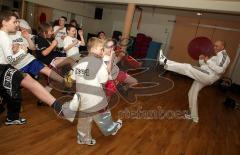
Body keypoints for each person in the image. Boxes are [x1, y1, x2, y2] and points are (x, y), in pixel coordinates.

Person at [0, 11, 69, 121]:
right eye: (15, 21)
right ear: (4, 22)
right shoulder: (3, 36)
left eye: (18, 21)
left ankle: (62, 101)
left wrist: (26, 40)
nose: (17, 24)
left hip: (21, 63)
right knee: (23, 88)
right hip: (10, 67)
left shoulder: (10, 35)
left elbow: (32, 48)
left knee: (35, 83)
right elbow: (11, 59)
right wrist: (21, 50)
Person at [66, 37, 122, 145]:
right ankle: (112, 129)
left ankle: (83, 138)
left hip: (82, 99)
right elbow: (104, 80)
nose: (102, 51)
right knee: (104, 117)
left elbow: (69, 79)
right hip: (96, 99)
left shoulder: (79, 62)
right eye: (101, 49)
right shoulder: (99, 64)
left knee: (84, 119)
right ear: (94, 49)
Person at [158, 40, 230, 123]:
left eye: (217, 46)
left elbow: (220, 70)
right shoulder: (215, 57)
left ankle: (165, 61)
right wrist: (201, 60)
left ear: (222, 47)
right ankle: (194, 117)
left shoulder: (224, 56)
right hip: (205, 75)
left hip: (208, 76)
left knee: (188, 67)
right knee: (192, 93)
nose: (214, 48)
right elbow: (204, 67)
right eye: (214, 46)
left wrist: (208, 61)